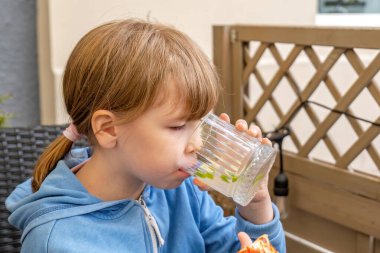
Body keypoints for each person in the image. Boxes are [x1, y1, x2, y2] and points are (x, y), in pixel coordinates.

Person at [6, 19, 286, 253]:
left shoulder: (181, 192)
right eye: (177, 127)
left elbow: (238, 246)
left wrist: (256, 205)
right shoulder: (58, 240)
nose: (199, 145)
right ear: (108, 129)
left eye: (200, 123)